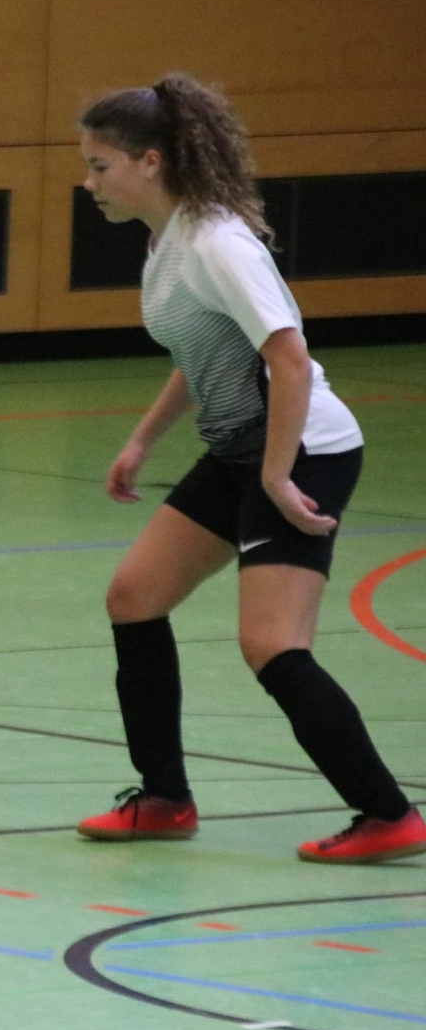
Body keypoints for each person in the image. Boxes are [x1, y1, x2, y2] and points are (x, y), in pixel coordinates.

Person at [73, 73, 421, 863]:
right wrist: (143, 440)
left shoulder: (218, 245)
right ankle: (164, 800)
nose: (89, 183)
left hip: (305, 453)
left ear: (151, 161)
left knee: (272, 645)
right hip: (242, 451)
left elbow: (288, 360)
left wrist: (275, 478)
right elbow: (202, 353)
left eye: (100, 166)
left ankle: (389, 814)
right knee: (134, 598)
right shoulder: (168, 241)